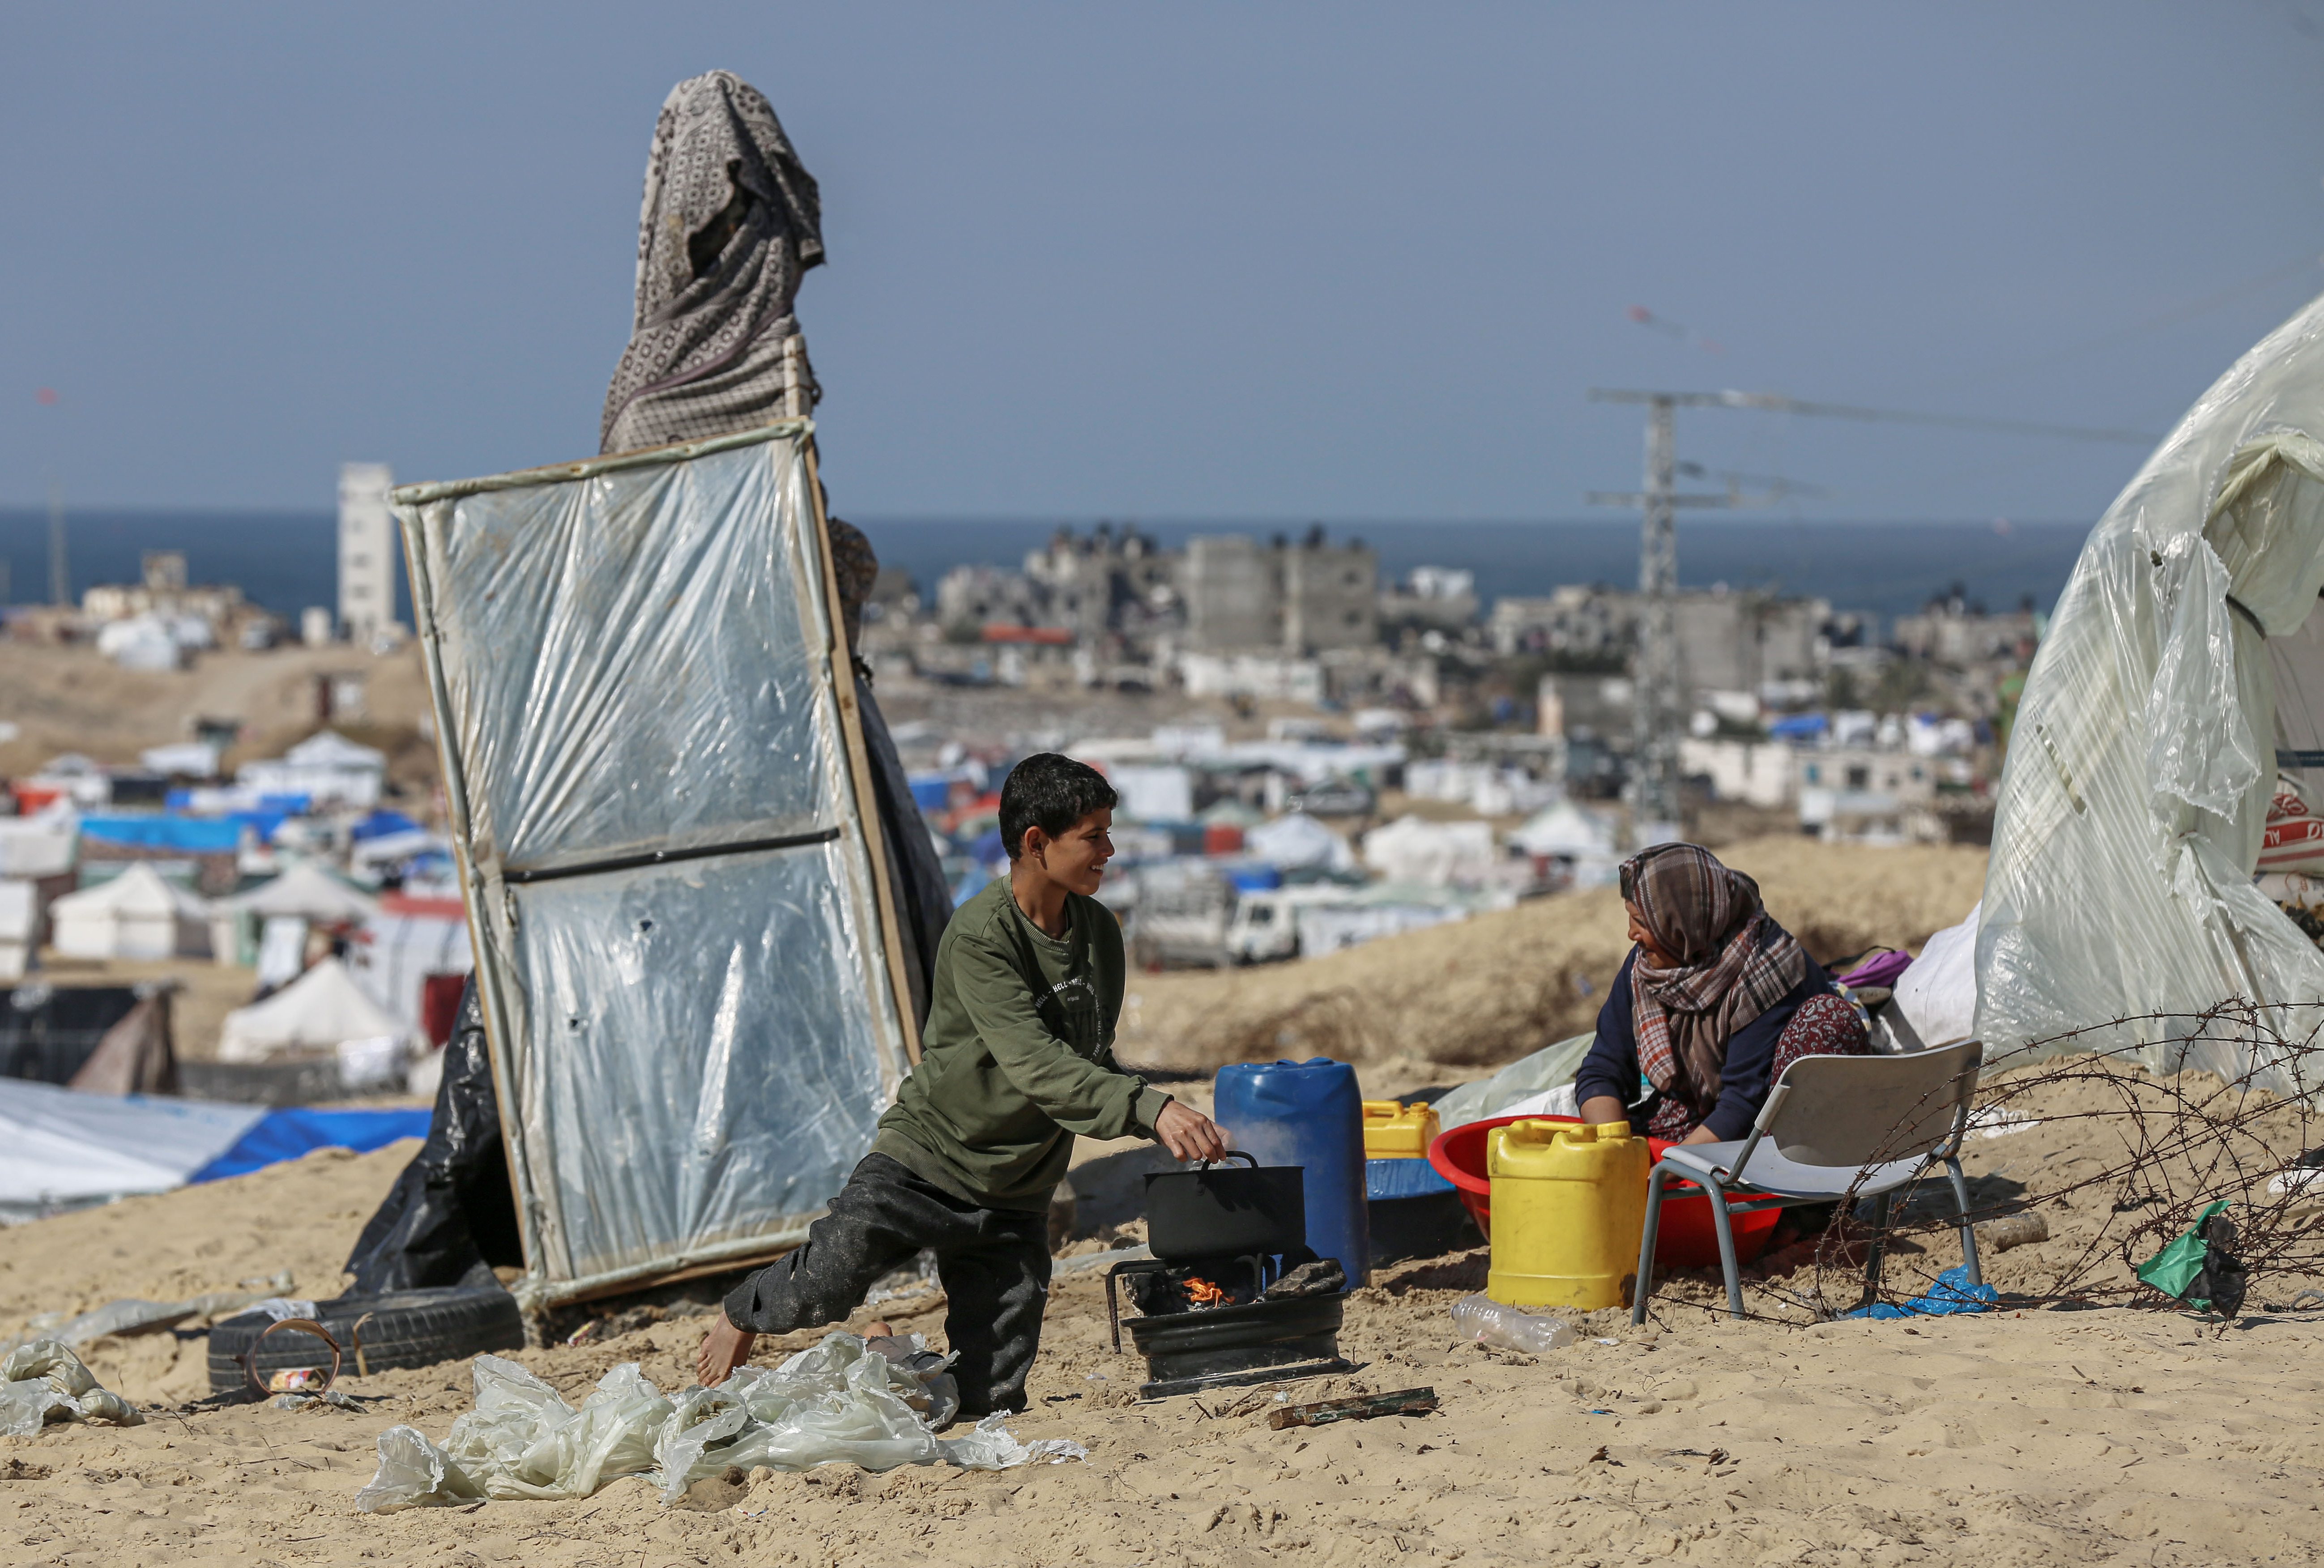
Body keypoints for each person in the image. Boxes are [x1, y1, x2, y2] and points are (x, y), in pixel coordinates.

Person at [695, 754, 1227, 1414]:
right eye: (1093, 836)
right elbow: (1034, 1064)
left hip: (1016, 1192)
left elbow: (1086, 1059)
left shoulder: (1097, 936)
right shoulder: (981, 936)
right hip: (928, 1161)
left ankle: (884, 1347)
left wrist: (1160, 1109)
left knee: (991, 1398)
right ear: (1036, 842)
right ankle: (741, 1313)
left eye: (1108, 833)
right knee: (826, 1281)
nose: (1109, 851)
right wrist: (1150, 1108)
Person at [1575, 842, 1866, 1146]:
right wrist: (1613, 1149)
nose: (1631, 934)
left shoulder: (1768, 971)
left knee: (1828, 1017)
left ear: (1683, 923)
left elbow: (1743, 1105)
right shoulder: (1647, 967)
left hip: (1768, 1129)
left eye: (1641, 923)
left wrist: (1662, 1174)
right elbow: (1603, 1069)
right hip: (1705, 1116)